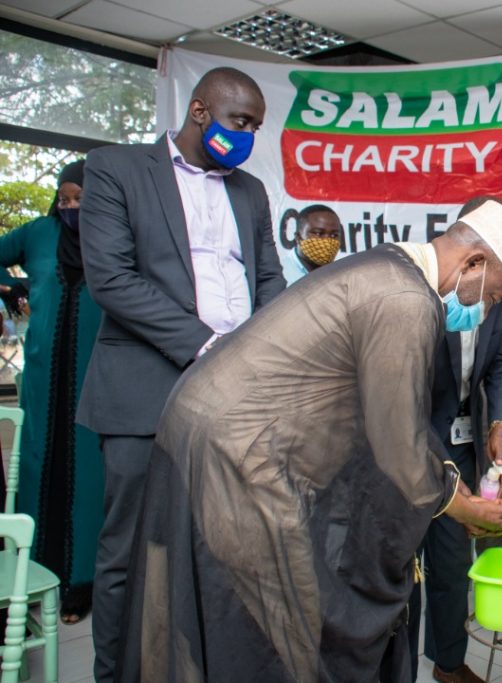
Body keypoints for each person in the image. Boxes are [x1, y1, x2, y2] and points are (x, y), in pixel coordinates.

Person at [115, 199, 502, 682]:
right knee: (268, 626)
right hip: (237, 449)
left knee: (233, 612)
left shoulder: (390, 265)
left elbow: (394, 414)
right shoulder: (406, 299)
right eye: (493, 296)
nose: (486, 310)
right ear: (474, 262)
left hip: (211, 428)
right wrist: (463, 509)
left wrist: (448, 480)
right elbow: (398, 446)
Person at [77, 67, 286, 681]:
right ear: (199, 112)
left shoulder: (249, 191)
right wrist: (208, 345)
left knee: (217, 551)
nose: (247, 135)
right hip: (145, 392)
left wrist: (270, 348)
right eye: (238, 121)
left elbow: (268, 278)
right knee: (129, 552)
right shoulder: (116, 169)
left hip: (234, 400)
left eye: (255, 126)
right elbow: (111, 279)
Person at [408, 197, 502, 683]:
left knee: (452, 558)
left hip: (464, 436)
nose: (494, 299)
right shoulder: (420, 284)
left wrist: (500, 427)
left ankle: (448, 663)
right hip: (409, 434)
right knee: (403, 563)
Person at [0, 160, 104, 624]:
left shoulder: (112, 235)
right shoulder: (38, 234)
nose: (70, 207)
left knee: (89, 475)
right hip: (43, 378)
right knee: (39, 467)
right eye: (64, 199)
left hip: (94, 378)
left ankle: (83, 582)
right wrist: (13, 287)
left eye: (80, 199)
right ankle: (35, 573)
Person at [281, 204, 342, 284]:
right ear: (298, 237)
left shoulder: (342, 275)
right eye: (318, 233)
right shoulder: (278, 273)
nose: (327, 241)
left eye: (334, 235)